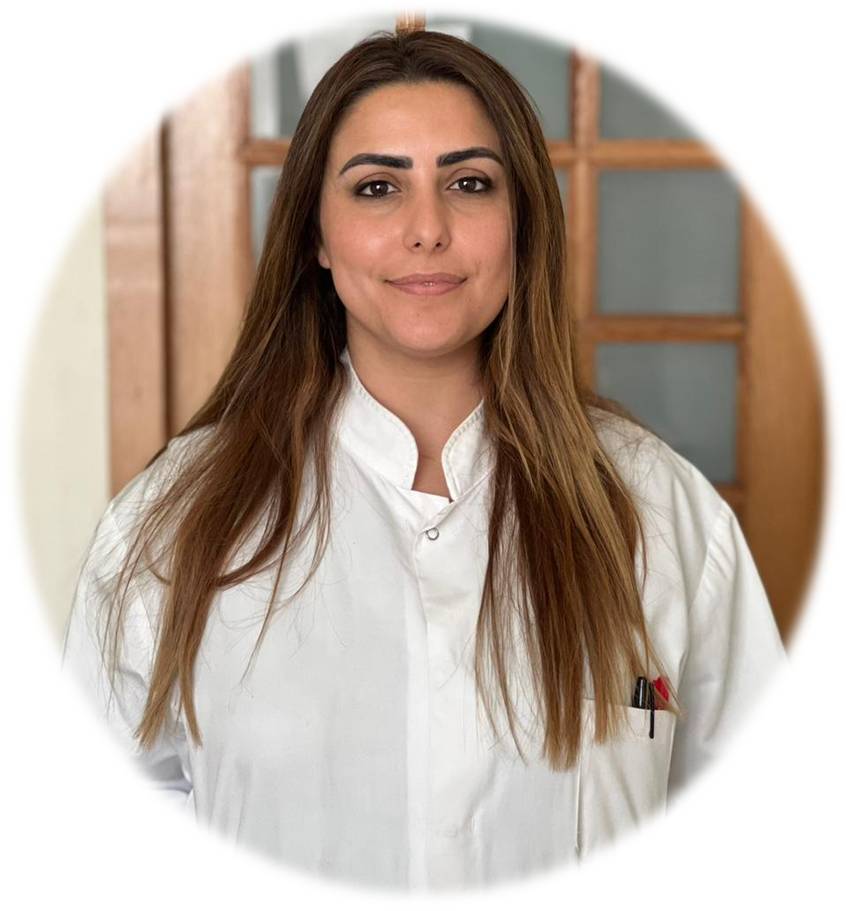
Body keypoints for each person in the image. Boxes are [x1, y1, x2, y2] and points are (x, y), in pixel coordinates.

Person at [61, 28, 786, 891]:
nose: (427, 230)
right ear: (317, 235)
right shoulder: (171, 522)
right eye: (378, 187)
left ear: (523, 224)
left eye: (469, 183)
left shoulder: (663, 513)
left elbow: (761, 843)